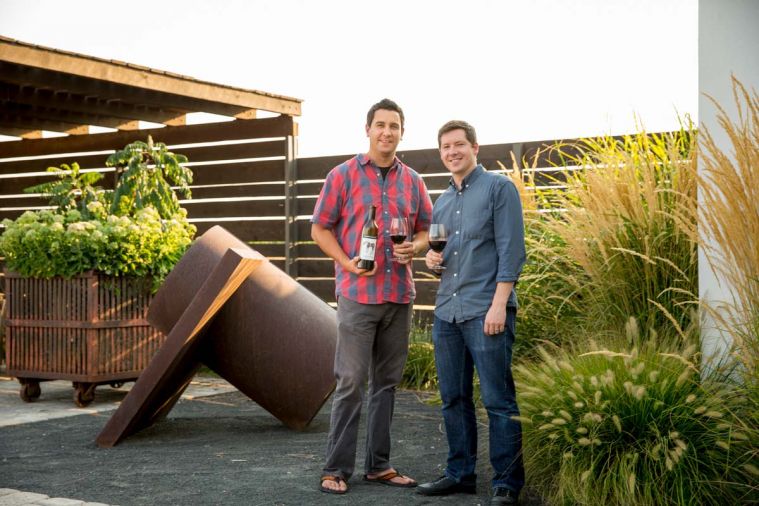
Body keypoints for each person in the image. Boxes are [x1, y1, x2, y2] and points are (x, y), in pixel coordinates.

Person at [311, 98, 433, 495]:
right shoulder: (342, 175)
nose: (386, 132)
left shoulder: (412, 180)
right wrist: (347, 262)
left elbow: (426, 229)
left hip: (399, 296)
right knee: (350, 382)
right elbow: (320, 229)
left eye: (394, 126)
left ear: (402, 132)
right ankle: (336, 469)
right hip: (357, 296)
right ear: (368, 130)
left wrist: (413, 247)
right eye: (380, 125)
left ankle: (379, 466)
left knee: (386, 385)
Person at [417, 120, 526, 505]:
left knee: (497, 400)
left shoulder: (499, 189)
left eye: (459, 145)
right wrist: (432, 259)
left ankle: (507, 484)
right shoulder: (443, 201)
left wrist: (499, 305)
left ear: (475, 147)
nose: (452, 152)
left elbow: (512, 252)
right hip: (448, 311)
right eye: (445, 147)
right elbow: (444, 255)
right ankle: (460, 474)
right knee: (453, 398)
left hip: (486, 310)